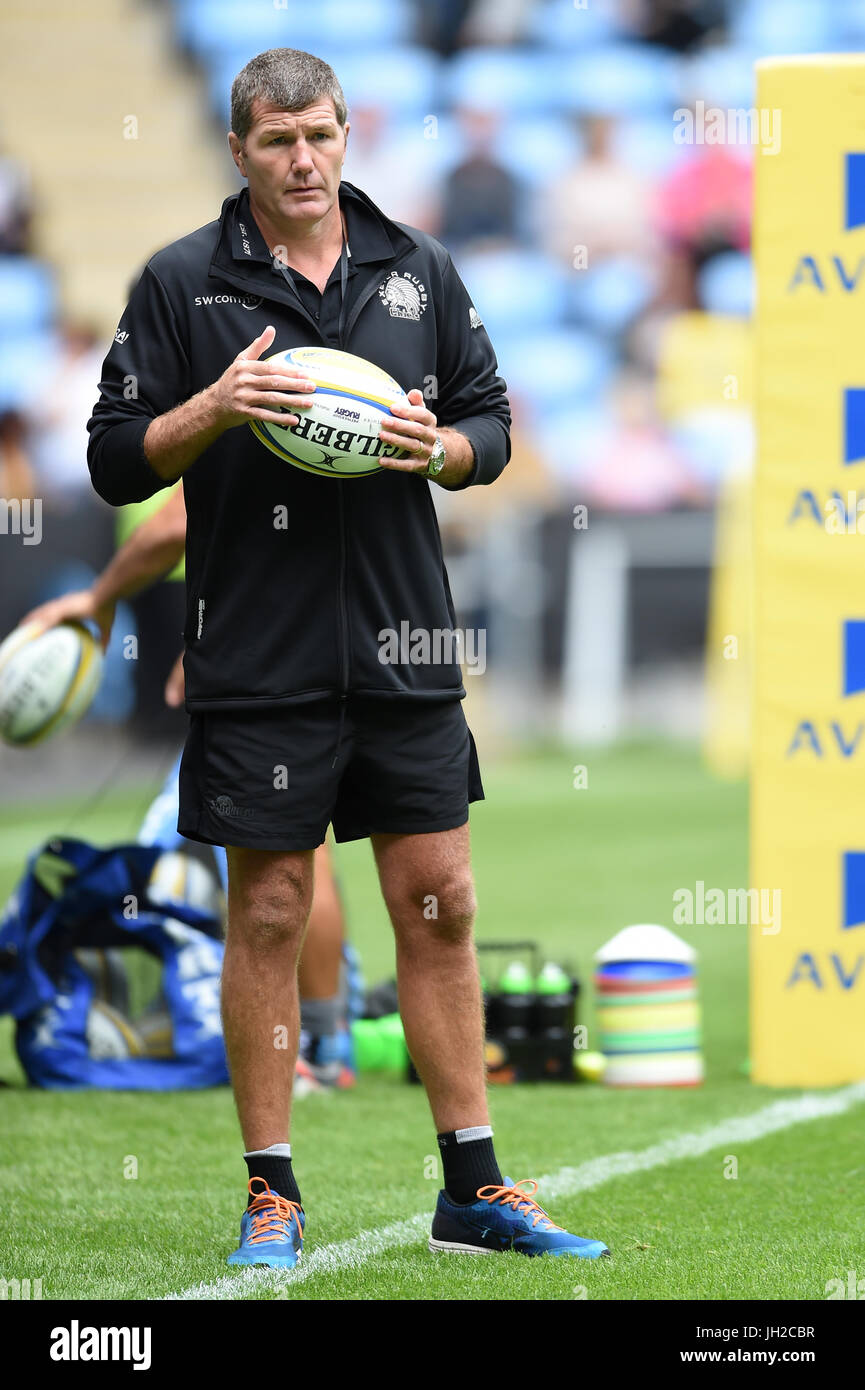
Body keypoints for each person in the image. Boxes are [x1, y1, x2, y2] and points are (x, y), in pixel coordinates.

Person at [87, 47, 609, 1266]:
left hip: (405, 642)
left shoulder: (416, 267)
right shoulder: (179, 284)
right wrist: (209, 410)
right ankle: (272, 1190)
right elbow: (116, 460)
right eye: (276, 142)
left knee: (442, 903)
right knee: (268, 910)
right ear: (239, 151)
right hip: (258, 656)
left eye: (318, 134)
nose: (303, 159)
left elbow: (492, 419)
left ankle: (473, 1189)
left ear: (346, 131)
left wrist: (445, 454)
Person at [21, 488, 355, 1092]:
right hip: (349, 620)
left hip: (281, 634)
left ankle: (315, 1049)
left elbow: (178, 520)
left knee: (289, 845)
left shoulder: (241, 398)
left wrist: (99, 600)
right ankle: (329, 1043)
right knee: (310, 839)